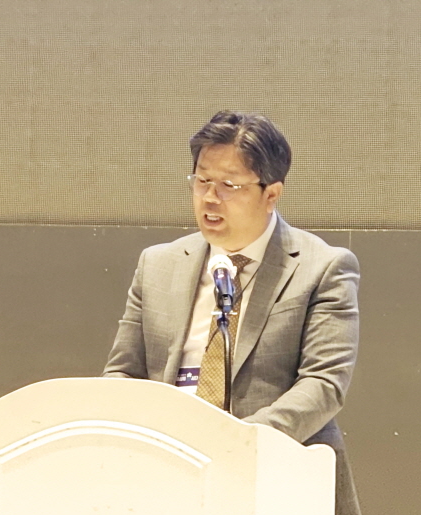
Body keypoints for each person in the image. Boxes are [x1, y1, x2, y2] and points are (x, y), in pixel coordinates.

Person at [103, 110, 362, 515]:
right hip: (166, 475)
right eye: (202, 180)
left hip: (279, 475)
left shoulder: (323, 268)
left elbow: (324, 384)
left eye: (229, 185)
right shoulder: (158, 265)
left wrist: (236, 444)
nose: (210, 197)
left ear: (271, 194)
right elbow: (122, 374)